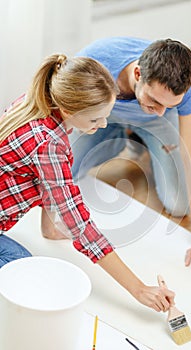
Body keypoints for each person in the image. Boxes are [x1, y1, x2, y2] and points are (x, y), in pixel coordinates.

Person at [0, 53, 175, 313]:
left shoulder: (39, 100)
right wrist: (139, 289)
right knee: (27, 275)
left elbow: (47, 181)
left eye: (105, 116)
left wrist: (49, 230)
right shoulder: (47, 144)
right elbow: (80, 224)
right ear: (69, 110)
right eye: (95, 119)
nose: (103, 125)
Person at [67, 36, 191, 280]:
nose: (162, 108)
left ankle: (143, 142)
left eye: (170, 104)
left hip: (156, 125)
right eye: (154, 99)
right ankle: (124, 138)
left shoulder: (189, 86)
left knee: (177, 204)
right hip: (102, 117)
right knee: (64, 172)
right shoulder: (95, 63)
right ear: (138, 73)